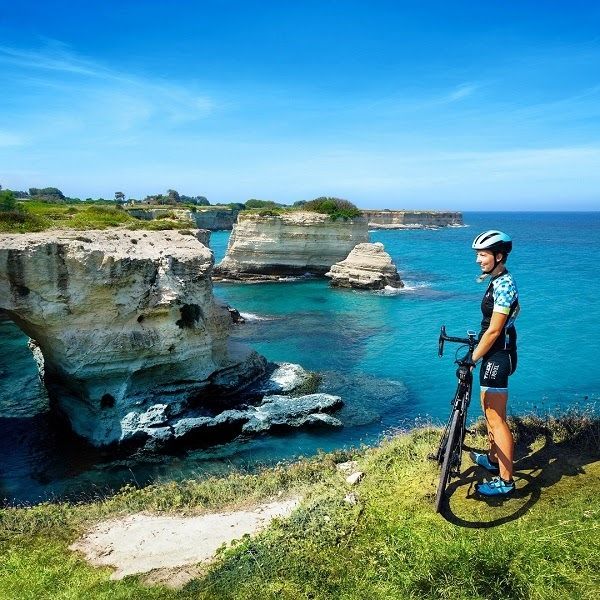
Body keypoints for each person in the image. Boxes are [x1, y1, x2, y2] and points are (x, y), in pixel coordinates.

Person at [469, 230, 519, 497]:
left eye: (483, 255)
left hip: (498, 355)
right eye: (478, 255)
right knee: (488, 410)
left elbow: (494, 331)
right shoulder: (495, 279)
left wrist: (472, 358)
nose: (478, 260)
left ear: (499, 256)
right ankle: (492, 459)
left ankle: (506, 481)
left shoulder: (504, 285)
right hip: (493, 353)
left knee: (496, 418)